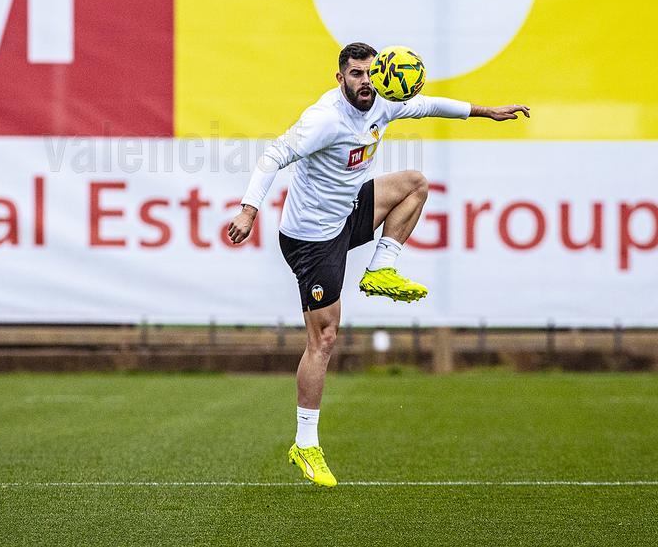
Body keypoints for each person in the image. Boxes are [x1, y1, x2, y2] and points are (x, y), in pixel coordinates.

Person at [226, 42, 529, 487]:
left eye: (370, 72)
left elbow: (428, 105)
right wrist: (249, 210)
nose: (366, 81)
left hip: (348, 212)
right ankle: (305, 445)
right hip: (312, 240)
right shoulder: (324, 120)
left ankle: (381, 268)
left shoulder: (384, 100)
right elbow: (273, 156)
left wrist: (487, 112)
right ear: (340, 78)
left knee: (415, 184)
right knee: (324, 338)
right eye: (356, 74)